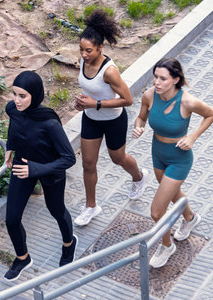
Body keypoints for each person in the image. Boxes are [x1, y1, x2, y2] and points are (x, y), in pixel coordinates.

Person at [132, 57, 213, 268]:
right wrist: (138, 126)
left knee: (157, 211)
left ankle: (167, 246)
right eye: (155, 78)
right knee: (173, 193)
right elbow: (141, 117)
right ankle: (190, 218)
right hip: (157, 153)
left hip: (179, 158)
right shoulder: (150, 96)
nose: (156, 83)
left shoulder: (187, 101)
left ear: (176, 79)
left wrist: (192, 137)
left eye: (163, 79)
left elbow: (210, 114)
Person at [74, 10, 149, 226]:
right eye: (81, 49)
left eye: (89, 50)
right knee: (88, 163)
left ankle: (139, 176)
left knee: (118, 158)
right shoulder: (83, 62)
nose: (84, 54)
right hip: (91, 119)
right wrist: (81, 102)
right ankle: (91, 206)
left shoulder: (110, 71)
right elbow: (90, 89)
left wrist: (95, 103)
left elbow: (127, 99)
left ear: (100, 48)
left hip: (113, 120)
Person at [3, 71, 77, 281]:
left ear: (35, 95)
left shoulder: (49, 123)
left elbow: (69, 158)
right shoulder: (13, 110)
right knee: (12, 219)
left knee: (56, 210)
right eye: (15, 94)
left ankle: (69, 243)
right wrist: (10, 146)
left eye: (22, 96)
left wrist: (35, 169)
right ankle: (23, 258)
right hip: (22, 165)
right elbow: (15, 127)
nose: (17, 100)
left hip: (49, 169)